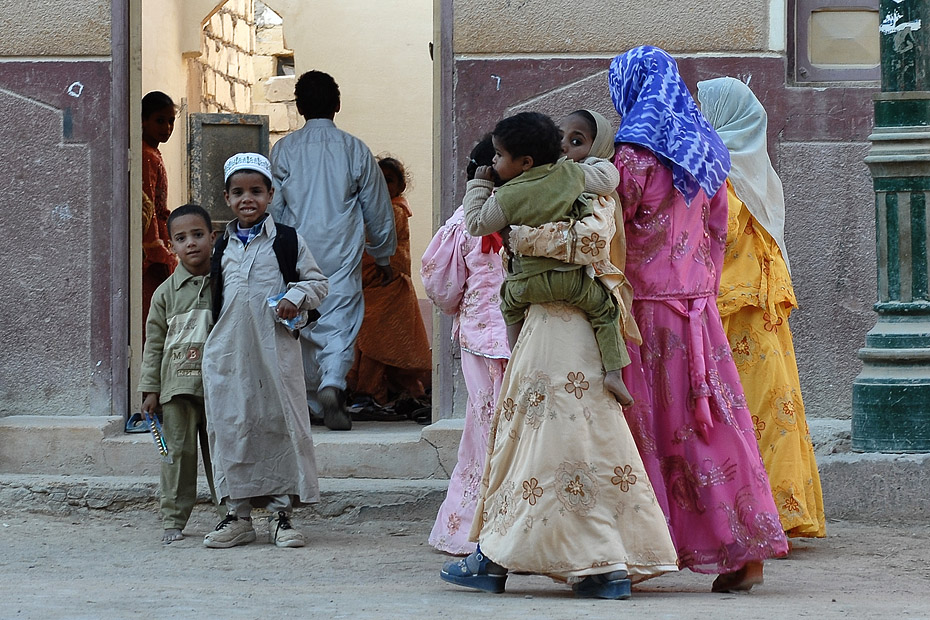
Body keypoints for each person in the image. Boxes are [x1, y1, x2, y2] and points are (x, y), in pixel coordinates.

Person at [440, 148, 680, 596]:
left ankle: (503, 559)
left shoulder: (540, 199)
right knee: (589, 442)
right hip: (578, 333)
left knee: (537, 447)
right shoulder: (576, 188)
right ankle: (603, 565)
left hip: (547, 336)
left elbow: (588, 240)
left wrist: (520, 237)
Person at [607, 46, 788, 591]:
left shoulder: (634, 156)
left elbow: (613, 234)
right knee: (712, 425)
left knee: (644, 426)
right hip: (698, 310)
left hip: (645, 311)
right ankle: (744, 548)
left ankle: (640, 551)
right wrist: (699, 287)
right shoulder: (706, 149)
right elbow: (716, 230)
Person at [696, 76, 826, 540]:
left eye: (704, 108)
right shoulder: (759, 171)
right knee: (770, 405)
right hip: (757, 309)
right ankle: (777, 512)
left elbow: (720, 233)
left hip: (735, 311)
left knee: (746, 409)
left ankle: (761, 514)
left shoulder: (718, 171)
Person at [202, 153, 328, 549]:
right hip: (229, 355)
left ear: (271, 195)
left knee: (278, 424)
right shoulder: (220, 245)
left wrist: (295, 296)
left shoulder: (287, 240)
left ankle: (280, 516)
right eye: (238, 192)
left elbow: (318, 283)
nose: (248, 199)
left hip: (274, 352)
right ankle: (237, 516)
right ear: (227, 198)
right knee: (232, 426)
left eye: (256, 191)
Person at [462, 111, 633, 405]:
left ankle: (517, 362)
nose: (493, 161)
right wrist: (589, 163)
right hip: (573, 282)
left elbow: (476, 224)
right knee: (606, 311)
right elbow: (608, 179)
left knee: (509, 308)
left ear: (526, 162)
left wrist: (479, 185)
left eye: (499, 155)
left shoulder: (507, 196)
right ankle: (614, 373)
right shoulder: (571, 175)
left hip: (526, 286)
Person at [270, 70, 397, 431]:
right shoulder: (355, 149)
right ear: (337, 105)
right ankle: (333, 383)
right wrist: (383, 255)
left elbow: (274, 207)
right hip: (341, 252)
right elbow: (377, 209)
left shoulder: (284, 150)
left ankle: (312, 402)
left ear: (298, 107)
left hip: (297, 251)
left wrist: (274, 253)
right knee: (341, 319)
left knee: (303, 320)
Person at [422, 136, 510, 555]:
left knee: (482, 428)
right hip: (525, 337)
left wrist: (460, 306)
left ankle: (468, 530)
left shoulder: (462, 222)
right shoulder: (530, 211)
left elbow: (439, 283)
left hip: (480, 338)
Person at [138, 203, 222, 544]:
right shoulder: (164, 294)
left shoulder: (225, 284)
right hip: (176, 389)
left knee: (222, 454)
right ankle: (173, 519)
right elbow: (154, 344)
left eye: (198, 235)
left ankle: (232, 515)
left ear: (213, 237)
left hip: (219, 386)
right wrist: (150, 390)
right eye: (182, 238)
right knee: (176, 456)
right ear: (172, 245)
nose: (191, 243)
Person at [346, 156, 432, 410]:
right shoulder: (366, 210)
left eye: (389, 180)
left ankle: (368, 392)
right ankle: (394, 392)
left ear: (400, 186)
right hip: (369, 285)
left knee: (377, 341)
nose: (382, 186)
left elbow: (380, 244)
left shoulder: (394, 211)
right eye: (377, 180)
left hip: (388, 286)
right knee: (372, 341)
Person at [141, 91, 179, 329]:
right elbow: (147, 208)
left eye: (171, 121)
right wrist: (157, 249)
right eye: (160, 121)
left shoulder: (152, 152)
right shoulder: (146, 155)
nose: (167, 127)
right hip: (152, 249)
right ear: (143, 120)